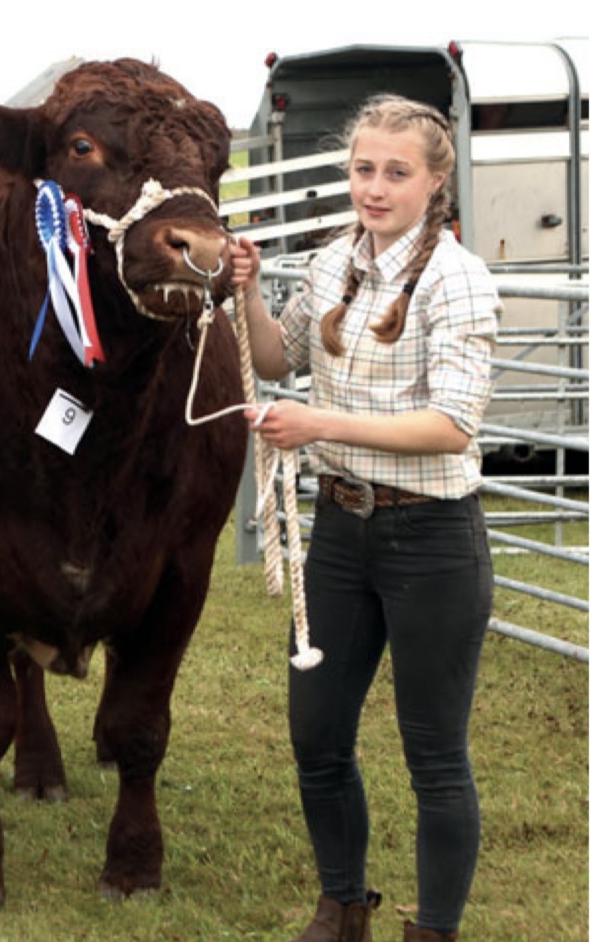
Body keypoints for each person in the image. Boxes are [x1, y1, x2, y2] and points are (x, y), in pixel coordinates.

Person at [229, 95, 499, 942]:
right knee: (315, 733)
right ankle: (341, 905)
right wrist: (246, 297)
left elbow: (451, 426)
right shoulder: (330, 260)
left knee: (433, 753)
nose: (373, 188)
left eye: (394, 172)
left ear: (433, 179)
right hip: (340, 534)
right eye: (361, 169)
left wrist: (318, 425)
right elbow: (279, 358)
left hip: (430, 539)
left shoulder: (457, 279)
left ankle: (434, 931)